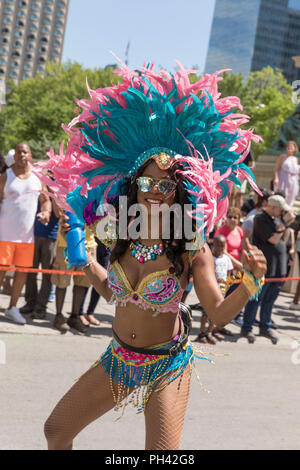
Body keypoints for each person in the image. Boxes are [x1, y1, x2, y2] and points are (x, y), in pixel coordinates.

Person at [37, 63, 266, 450]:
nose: (155, 191)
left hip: (167, 365)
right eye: (147, 182)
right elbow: (114, 295)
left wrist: (251, 282)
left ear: (179, 191)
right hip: (119, 358)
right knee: (56, 431)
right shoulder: (121, 234)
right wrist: (85, 261)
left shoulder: (192, 244)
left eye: (166, 184)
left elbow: (217, 314)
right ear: (134, 185)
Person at [0, 143, 51, 325]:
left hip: (26, 237)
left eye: (25, 152)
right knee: (1, 272)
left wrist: (46, 212)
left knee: (22, 273)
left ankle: (12, 308)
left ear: (30, 155)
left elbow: (45, 200)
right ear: (14, 156)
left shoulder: (37, 178)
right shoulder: (5, 177)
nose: (22, 155)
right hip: (4, 235)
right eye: (19, 152)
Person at [241, 195, 294, 344]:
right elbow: (273, 239)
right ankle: (247, 327)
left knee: (270, 300)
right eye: (280, 209)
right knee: (256, 299)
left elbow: (282, 239)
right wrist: (284, 222)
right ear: (273, 207)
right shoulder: (260, 218)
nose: (282, 212)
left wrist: (283, 223)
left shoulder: (277, 219)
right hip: (265, 269)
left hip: (279, 268)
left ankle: (265, 326)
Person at [50, 213, 98, 334]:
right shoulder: (67, 194)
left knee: (82, 283)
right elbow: (57, 209)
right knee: (62, 281)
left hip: (89, 243)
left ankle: (74, 317)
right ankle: (59, 316)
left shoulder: (96, 195)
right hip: (65, 243)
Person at [20, 204, 59, 319]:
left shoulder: (57, 189)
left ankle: (41, 307)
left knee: (47, 274)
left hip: (51, 236)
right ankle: (30, 302)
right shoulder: (39, 188)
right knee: (30, 271)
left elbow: (58, 213)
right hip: (32, 234)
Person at [194, 235, 234, 344]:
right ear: (213, 245)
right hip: (209, 289)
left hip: (221, 289)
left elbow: (229, 274)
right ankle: (201, 333)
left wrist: (226, 287)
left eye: (222, 245)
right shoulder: (210, 257)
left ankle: (209, 332)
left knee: (215, 313)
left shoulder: (227, 259)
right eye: (218, 245)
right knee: (205, 312)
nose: (220, 248)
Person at [78, 239, 110, 326]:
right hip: (93, 242)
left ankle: (90, 313)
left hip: (107, 246)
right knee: (85, 281)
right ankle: (79, 313)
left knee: (102, 281)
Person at [273, 141, 299, 206]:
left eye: (291, 147)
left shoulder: (295, 159)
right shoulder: (282, 157)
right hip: (283, 179)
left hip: (293, 180)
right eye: (288, 146)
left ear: (294, 148)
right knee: (282, 195)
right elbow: (276, 168)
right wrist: (276, 178)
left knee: (291, 196)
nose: (289, 148)